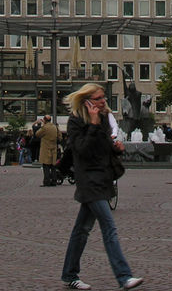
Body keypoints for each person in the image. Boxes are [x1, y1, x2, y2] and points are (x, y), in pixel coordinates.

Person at [60, 83, 143, 291]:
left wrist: (117, 149)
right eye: (98, 99)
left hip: (102, 178)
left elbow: (103, 147)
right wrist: (94, 124)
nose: (103, 101)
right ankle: (124, 276)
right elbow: (82, 150)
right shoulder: (75, 122)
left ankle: (70, 274)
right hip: (89, 181)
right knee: (109, 227)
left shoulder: (104, 118)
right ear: (87, 101)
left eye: (103, 97)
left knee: (82, 229)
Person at [36, 114, 60, 187]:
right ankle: (54, 181)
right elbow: (60, 136)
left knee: (46, 166)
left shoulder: (45, 127)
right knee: (53, 166)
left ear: (45, 120)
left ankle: (46, 181)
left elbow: (37, 134)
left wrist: (42, 125)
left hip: (46, 149)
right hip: (53, 149)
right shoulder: (55, 127)